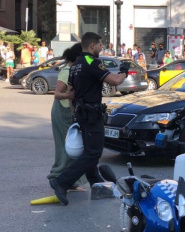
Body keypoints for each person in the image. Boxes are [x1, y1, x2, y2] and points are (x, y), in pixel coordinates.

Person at [48, 32, 130, 205]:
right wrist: (124, 72)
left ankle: (97, 183)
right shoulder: (92, 61)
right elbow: (114, 81)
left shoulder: (76, 64)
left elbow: (71, 94)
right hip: (91, 115)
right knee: (94, 153)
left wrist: (75, 116)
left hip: (81, 114)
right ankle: (61, 181)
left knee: (89, 151)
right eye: (100, 45)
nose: (102, 47)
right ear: (92, 46)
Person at [47, 43, 88, 191]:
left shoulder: (75, 69)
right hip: (62, 111)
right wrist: (68, 95)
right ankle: (59, 177)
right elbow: (57, 94)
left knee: (73, 148)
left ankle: (69, 180)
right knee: (68, 148)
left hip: (68, 111)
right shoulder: (67, 71)